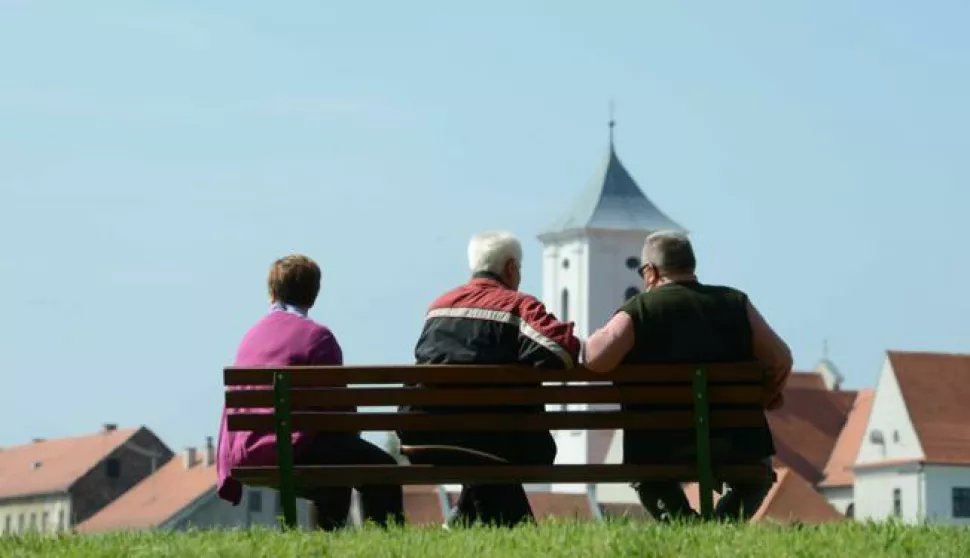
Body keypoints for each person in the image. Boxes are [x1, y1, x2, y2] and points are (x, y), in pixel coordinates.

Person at [584, 230, 793, 522]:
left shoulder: (641, 310)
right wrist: (766, 396)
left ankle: (685, 526)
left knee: (648, 475)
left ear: (651, 272)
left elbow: (596, 360)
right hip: (735, 444)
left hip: (660, 447)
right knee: (755, 476)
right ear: (690, 265)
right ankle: (721, 527)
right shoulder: (735, 303)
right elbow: (781, 359)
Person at [397, 231, 581, 528]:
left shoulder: (438, 306)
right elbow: (561, 352)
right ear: (510, 267)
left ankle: (459, 518)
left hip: (425, 435)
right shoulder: (517, 305)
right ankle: (486, 525)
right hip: (496, 441)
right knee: (496, 448)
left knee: (479, 448)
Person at [216, 254, 405, 530]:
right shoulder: (318, 338)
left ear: (272, 293)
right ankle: (384, 547)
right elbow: (339, 410)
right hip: (293, 449)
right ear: (314, 294)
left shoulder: (252, 335)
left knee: (333, 483)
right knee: (383, 470)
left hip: (249, 451)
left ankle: (319, 547)